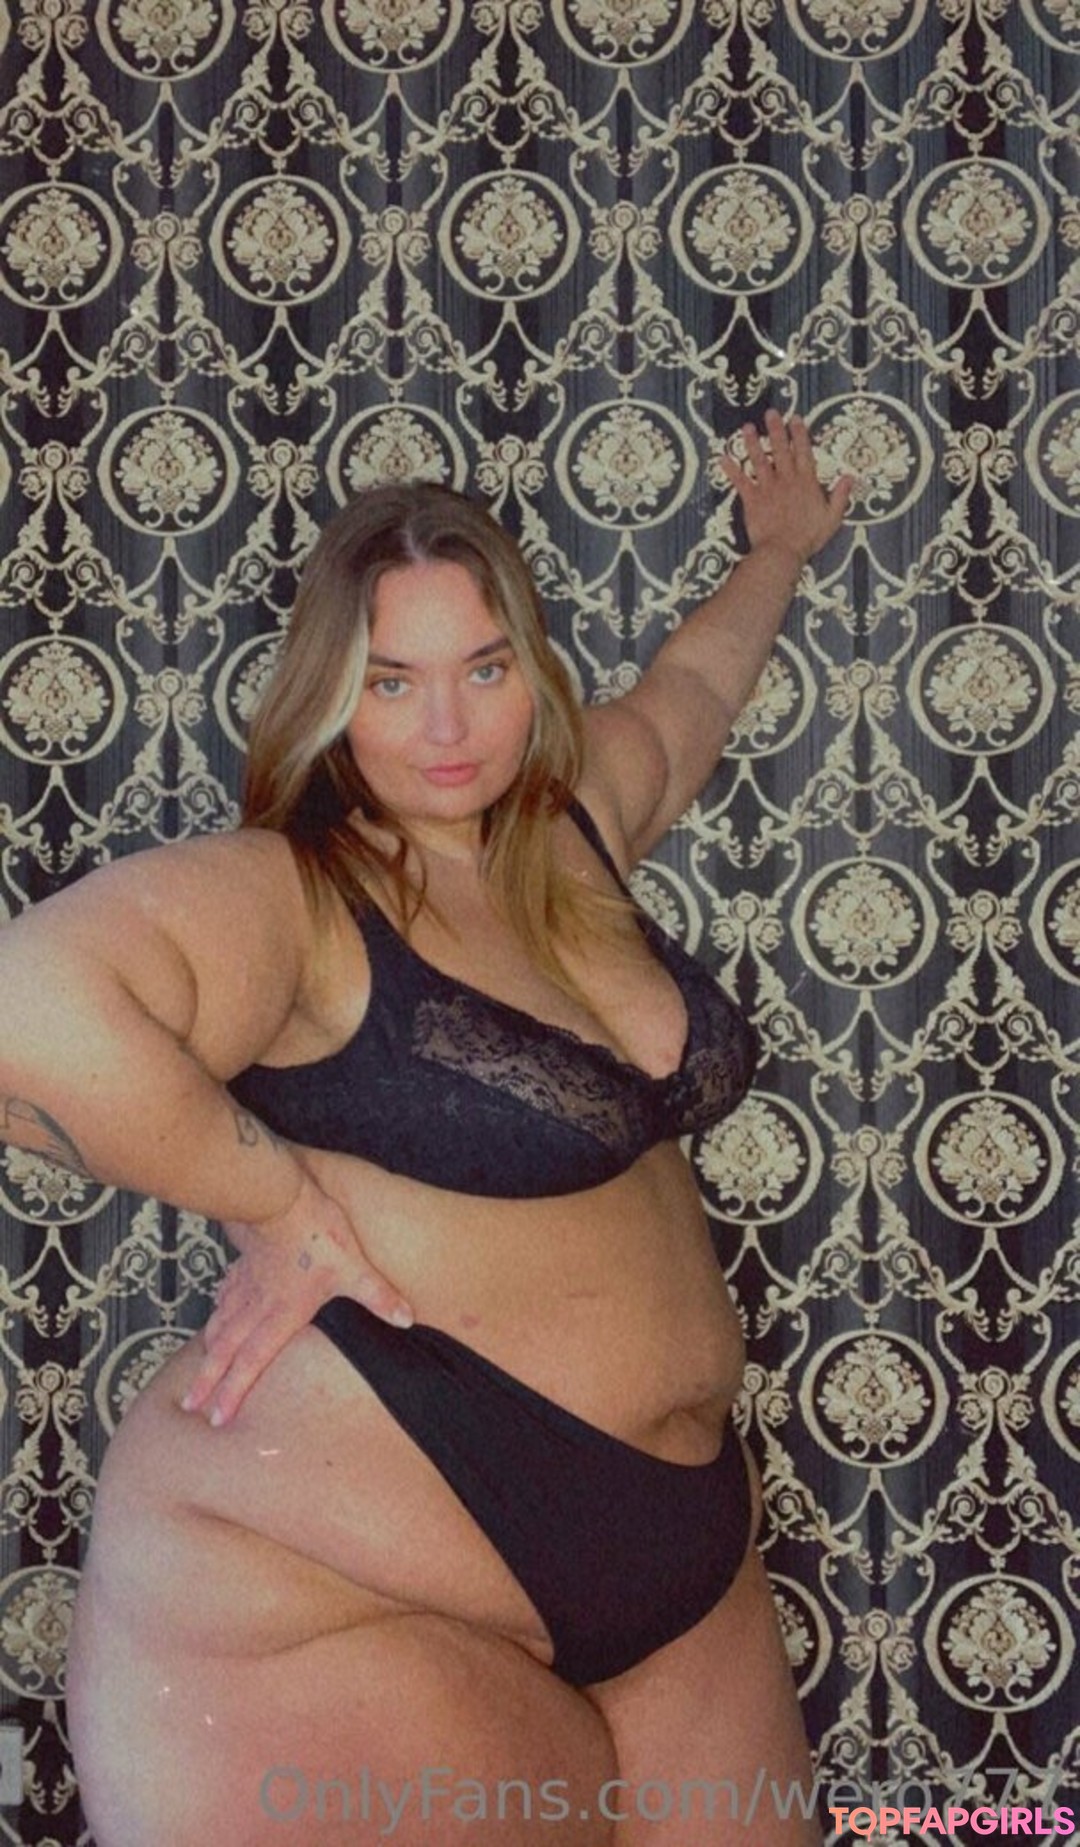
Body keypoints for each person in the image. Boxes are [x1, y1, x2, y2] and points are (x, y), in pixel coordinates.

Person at [0, 411, 850, 1847]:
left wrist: (779, 552)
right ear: (330, 696)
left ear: (532, 671)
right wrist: (274, 1205)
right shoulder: (292, 894)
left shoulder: (578, 828)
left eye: (484, 669)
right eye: (392, 682)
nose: (447, 729)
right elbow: (25, 1009)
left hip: (683, 1555)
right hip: (337, 1579)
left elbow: (694, 687)